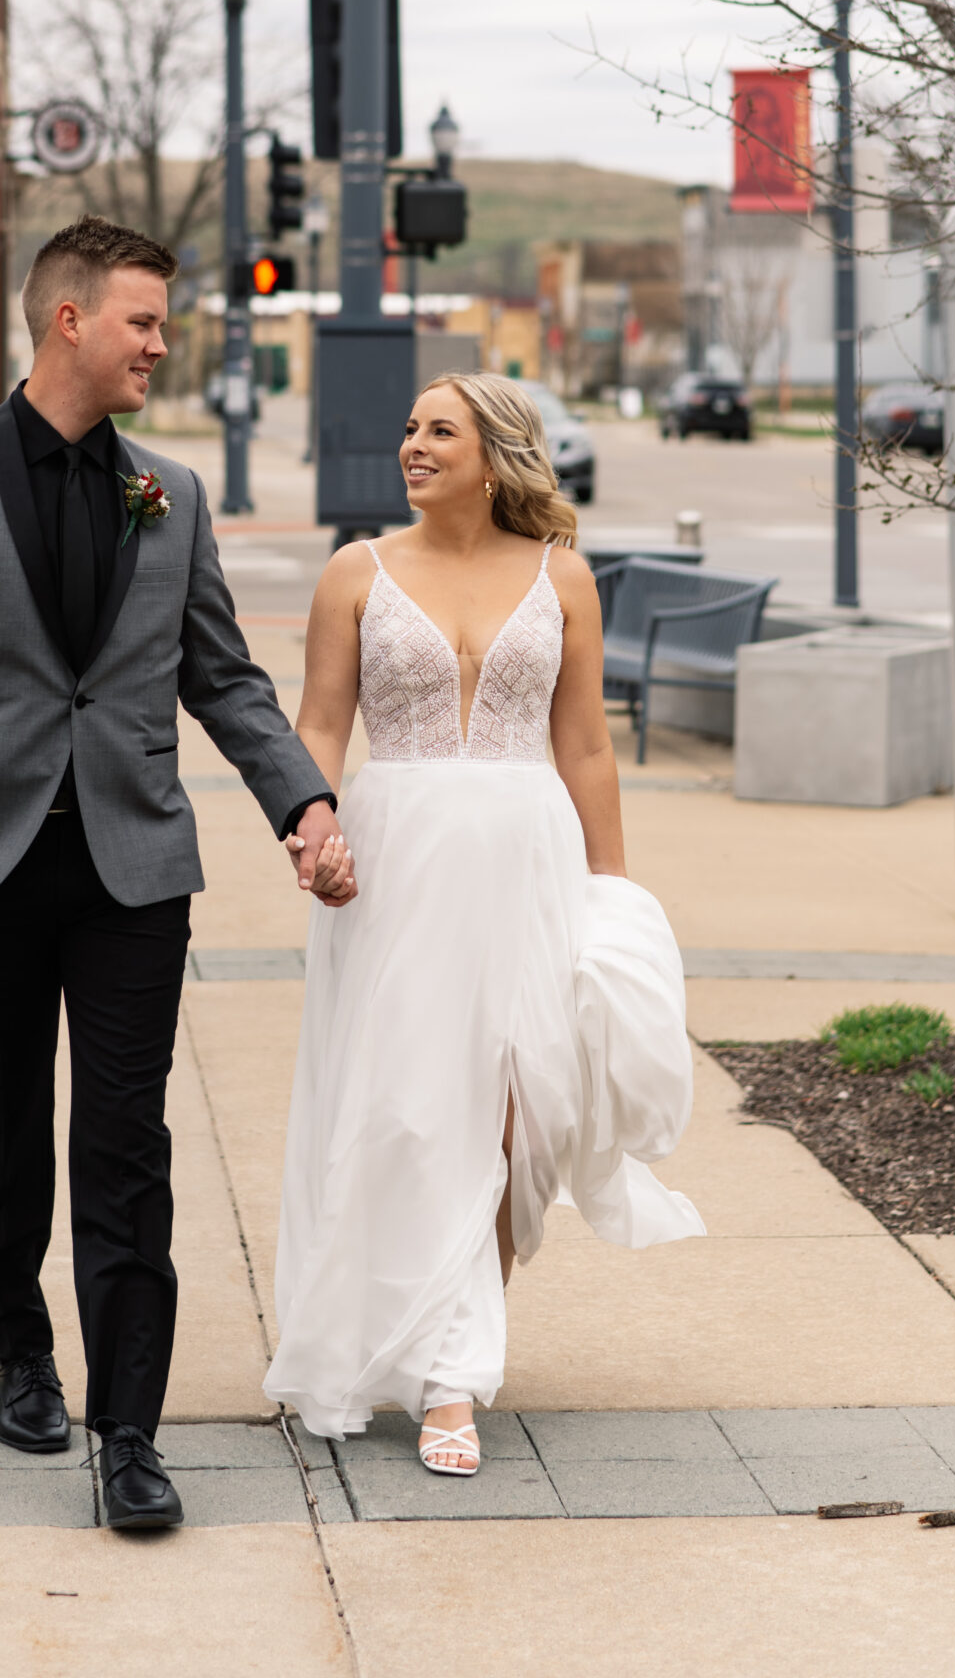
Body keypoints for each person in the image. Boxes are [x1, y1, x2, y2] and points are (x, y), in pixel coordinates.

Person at [0, 214, 354, 1533]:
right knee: (4, 1115)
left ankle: (129, 1431)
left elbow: (222, 677)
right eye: (142, 321)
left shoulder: (169, 494)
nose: (159, 344)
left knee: (125, 1138)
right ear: (68, 320)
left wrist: (298, 799)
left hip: (135, 865)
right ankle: (19, 1345)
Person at [265, 372, 702, 1474]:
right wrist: (311, 832)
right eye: (409, 427)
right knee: (410, 1109)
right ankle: (417, 1350)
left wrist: (611, 896)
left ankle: (455, 1368)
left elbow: (586, 746)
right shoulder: (354, 574)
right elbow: (319, 723)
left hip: (530, 861)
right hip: (397, 863)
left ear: (497, 452)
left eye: (438, 430)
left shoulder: (563, 578)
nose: (413, 444)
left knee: (515, 1117)